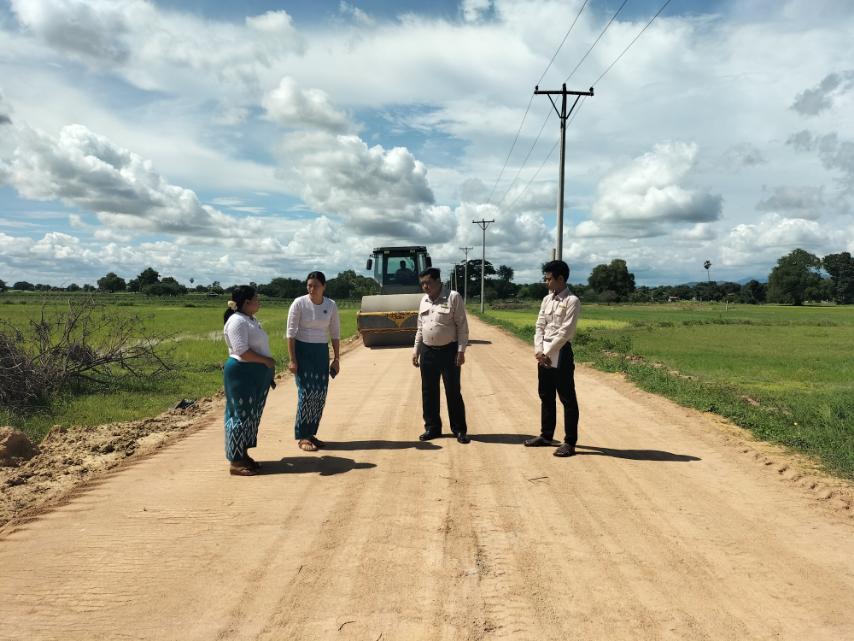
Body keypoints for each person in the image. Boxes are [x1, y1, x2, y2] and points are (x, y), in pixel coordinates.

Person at [525, 260, 580, 457]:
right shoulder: (547, 299)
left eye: (549, 279)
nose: (546, 282)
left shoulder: (572, 301)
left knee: (567, 398)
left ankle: (569, 442)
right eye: (545, 278)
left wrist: (547, 353)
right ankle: (546, 435)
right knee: (546, 395)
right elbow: (539, 326)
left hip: (561, 352)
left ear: (561, 278)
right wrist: (539, 351)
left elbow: (565, 332)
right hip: (544, 352)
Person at [411, 267, 470, 444]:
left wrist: (461, 351)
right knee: (428, 391)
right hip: (428, 351)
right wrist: (416, 350)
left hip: (449, 351)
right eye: (422, 284)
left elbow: (462, 326)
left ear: (438, 281)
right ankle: (432, 427)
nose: (425, 286)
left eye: (428, 283)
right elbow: (420, 328)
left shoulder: (453, 297)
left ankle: (459, 429)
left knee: (453, 391)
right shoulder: (423, 300)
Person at [222, 286, 275, 476]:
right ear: (246, 302)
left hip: (254, 374)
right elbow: (241, 351)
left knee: (250, 415)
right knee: (240, 414)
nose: (259, 301)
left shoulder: (250, 320)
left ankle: (243, 454)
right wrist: (266, 361)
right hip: (241, 373)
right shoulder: (237, 321)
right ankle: (236, 461)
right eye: (256, 298)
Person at [286, 271, 341, 452]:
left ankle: (311, 433)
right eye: (309, 285)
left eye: (316, 286)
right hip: (303, 351)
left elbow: (335, 333)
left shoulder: (330, 305)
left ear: (324, 286)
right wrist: (292, 360)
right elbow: (290, 333)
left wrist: (336, 358)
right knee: (306, 393)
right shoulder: (299, 303)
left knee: (319, 394)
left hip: (320, 352)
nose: (312, 289)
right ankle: (302, 435)